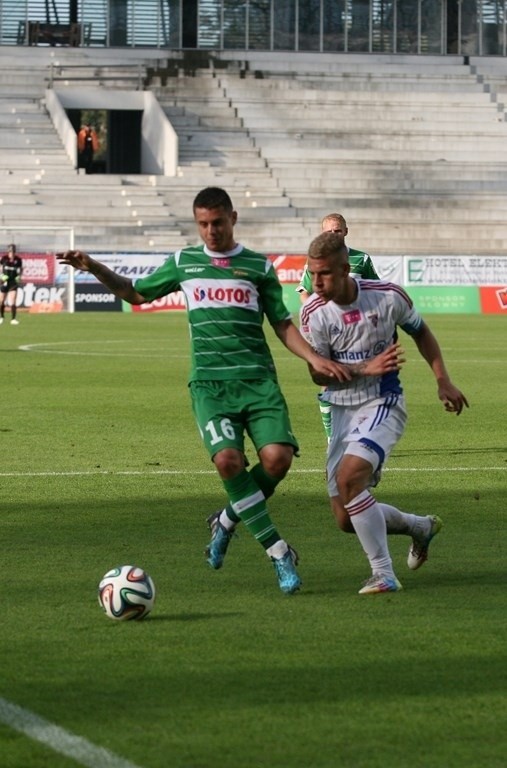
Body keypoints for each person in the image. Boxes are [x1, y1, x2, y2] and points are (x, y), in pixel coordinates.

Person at [57, 188, 396, 595]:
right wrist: (93, 266)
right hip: (210, 385)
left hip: (258, 382)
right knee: (229, 461)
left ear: (232, 218)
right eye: (202, 224)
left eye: (217, 222)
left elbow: (282, 324)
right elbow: (136, 293)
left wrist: (314, 359)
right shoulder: (185, 262)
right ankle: (278, 552)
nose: (210, 231)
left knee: (278, 460)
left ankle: (227, 520)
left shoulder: (257, 266)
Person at [300, 232, 469, 595]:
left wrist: (443, 380)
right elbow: (317, 372)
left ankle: (384, 574)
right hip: (342, 409)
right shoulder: (314, 312)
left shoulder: (387, 296)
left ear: (346, 269)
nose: (316, 283)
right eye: (313, 274)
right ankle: (420, 527)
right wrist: (365, 367)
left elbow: (422, 333)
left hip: (383, 403)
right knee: (346, 518)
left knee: (349, 481)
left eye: (324, 274)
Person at [297, 213, 380, 443]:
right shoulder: (315, 260)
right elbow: (304, 291)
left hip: (358, 331)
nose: (333, 235)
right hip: (326, 331)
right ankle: (332, 437)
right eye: (328, 231)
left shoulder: (361, 259)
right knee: (327, 383)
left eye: (337, 231)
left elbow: (375, 289)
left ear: (345, 231)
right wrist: (315, 314)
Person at [0, 243, 22, 325]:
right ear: (8, 252)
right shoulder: (4, 259)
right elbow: (0, 268)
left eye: (13, 252)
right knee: (2, 301)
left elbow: (20, 269)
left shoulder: (18, 260)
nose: (12, 254)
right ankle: (1, 317)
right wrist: (1, 276)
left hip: (13, 282)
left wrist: (19, 276)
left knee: (13, 300)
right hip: (5, 282)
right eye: (10, 252)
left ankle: (13, 319)